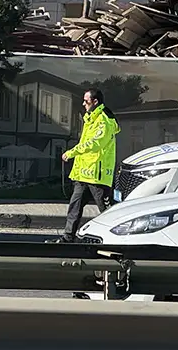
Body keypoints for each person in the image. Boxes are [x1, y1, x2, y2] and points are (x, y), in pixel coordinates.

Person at [52, 88, 119, 243]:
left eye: (86, 101)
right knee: (74, 207)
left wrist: (72, 152)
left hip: (97, 175)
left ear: (95, 102)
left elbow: (95, 144)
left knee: (106, 211)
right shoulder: (91, 118)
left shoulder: (104, 119)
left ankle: (115, 240)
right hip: (84, 173)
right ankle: (68, 237)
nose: (83, 104)